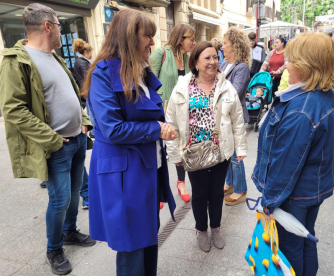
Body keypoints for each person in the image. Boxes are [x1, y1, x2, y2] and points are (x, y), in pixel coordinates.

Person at [0, 3, 95, 275]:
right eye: (58, 24)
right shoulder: (15, 61)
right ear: (47, 26)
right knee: (59, 199)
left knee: (75, 193)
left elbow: (71, 95)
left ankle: (69, 232)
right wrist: (51, 138)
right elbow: (13, 109)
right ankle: (53, 249)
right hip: (56, 146)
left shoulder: (55, 56)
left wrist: (84, 123)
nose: (60, 29)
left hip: (76, 139)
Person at [83, 9, 177, 275]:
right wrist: (156, 129)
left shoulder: (140, 69)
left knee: (148, 237)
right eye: (147, 36)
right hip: (123, 175)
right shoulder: (103, 73)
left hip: (146, 167)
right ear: (127, 37)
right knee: (132, 247)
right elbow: (113, 129)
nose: (152, 42)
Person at [252, 33, 334, 276]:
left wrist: (270, 201)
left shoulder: (300, 109)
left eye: (291, 59)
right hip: (314, 187)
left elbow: (286, 166)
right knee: (305, 238)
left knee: (289, 248)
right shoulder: (328, 95)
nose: (286, 64)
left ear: (305, 66)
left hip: (294, 195)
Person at [166, 41, 247, 252]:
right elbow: (172, 121)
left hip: (221, 151)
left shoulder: (225, 85)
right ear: (195, 62)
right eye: (207, 58)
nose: (213, 62)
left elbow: (237, 119)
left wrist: (242, 148)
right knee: (200, 194)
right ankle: (201, 229)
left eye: (215, 57)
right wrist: (174, 154)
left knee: (217, 193)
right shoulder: (182, 86)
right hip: (193, 153)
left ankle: (216, 227)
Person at [150, 23, 196, 205]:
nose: (193, 42)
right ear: (180, 39)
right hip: (161, 111)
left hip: (182, 111)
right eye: (191, 39)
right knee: (159, 150)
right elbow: (148, 83)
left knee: (180, 146)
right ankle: (158, 189)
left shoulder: (187, 60)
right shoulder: (160, 54)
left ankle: (180, 183)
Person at [220, 27, 251, 206]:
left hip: (234, 117)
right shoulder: (224, 64)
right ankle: (231, 182)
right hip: (223, 116)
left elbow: (236, 92)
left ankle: (241, 189)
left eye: (225, 43)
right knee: (227, 153)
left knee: (235, 155)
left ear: (235, 45)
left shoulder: (242, 67)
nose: (222, 46)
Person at [72, 38, 94, 209]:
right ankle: (86, 193)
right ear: (86, 52)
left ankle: (86, 193)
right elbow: (88, 81)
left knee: (78, 163)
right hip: (86, 97)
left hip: (76, 122)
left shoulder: (77, 62)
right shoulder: (83, 62)